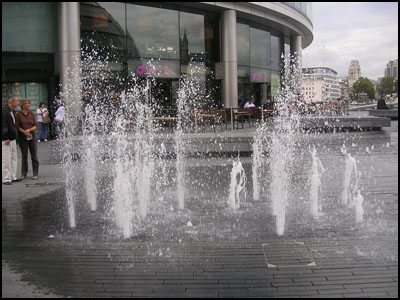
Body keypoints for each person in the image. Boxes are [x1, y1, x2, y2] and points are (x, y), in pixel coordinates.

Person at [15, 98, 39, 180]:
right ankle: (24, 173)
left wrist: (29, 130)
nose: (28, 105)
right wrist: (24, 132)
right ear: (22, 105)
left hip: (31, 135)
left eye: (29, 103)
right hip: (22, 136)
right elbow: (17, 126)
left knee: (34, 154)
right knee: (24, 155)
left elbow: (36, 125)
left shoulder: (31, 114)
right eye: (26, 103)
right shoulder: (18, 114)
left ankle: (35, 173)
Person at [2, 95, 20, 185]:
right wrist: (5, 137)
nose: (18, 103)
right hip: (7, 138)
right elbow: (3, 124)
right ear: (11, 102)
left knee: (14, 157)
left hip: (13, 138)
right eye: (16, 101)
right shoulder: (5, 111)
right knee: (6, 158)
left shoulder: (13, 112)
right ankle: (6, 178)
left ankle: (13, 175)